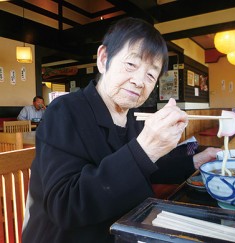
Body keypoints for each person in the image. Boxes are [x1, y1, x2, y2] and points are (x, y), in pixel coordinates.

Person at [22, 17, 220, 243]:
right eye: (131, 64)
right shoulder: (64, 111)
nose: (139, 81)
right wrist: (144, 149)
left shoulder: (133, 117)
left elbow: (146, 168)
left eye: (150, 74)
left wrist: (195, 161)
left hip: (123, 230)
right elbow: (66, 205)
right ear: (104, 58)